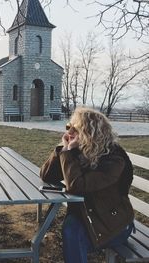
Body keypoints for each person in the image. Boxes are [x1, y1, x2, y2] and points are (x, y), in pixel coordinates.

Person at [40, 107, 134, 263]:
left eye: (74, 128)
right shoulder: (79, 151)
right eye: (68, 126)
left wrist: (69, 154)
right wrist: (63, 150)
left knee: (73, 237)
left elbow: (77, 186)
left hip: (112, 222)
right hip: (86, 213)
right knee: (71, 231)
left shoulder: (114, 160)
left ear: (90, 133)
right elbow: (47, 175)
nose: (69, 132)